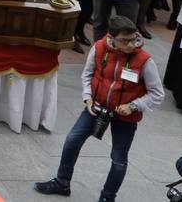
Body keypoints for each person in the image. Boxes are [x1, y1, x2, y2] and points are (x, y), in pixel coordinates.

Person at [34, 15, 164, 201]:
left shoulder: (144, 60)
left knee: (119, 159)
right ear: (112, 38)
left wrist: (134, 106)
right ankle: (62, 183)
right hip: (96, 108)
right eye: (124, 40)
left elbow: (157, 94)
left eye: (133, 38)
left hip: (125, 116)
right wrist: (88, 99)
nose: (130, 45)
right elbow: (87, 74)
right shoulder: (100, 48)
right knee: (72, 140)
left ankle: (107, 197)